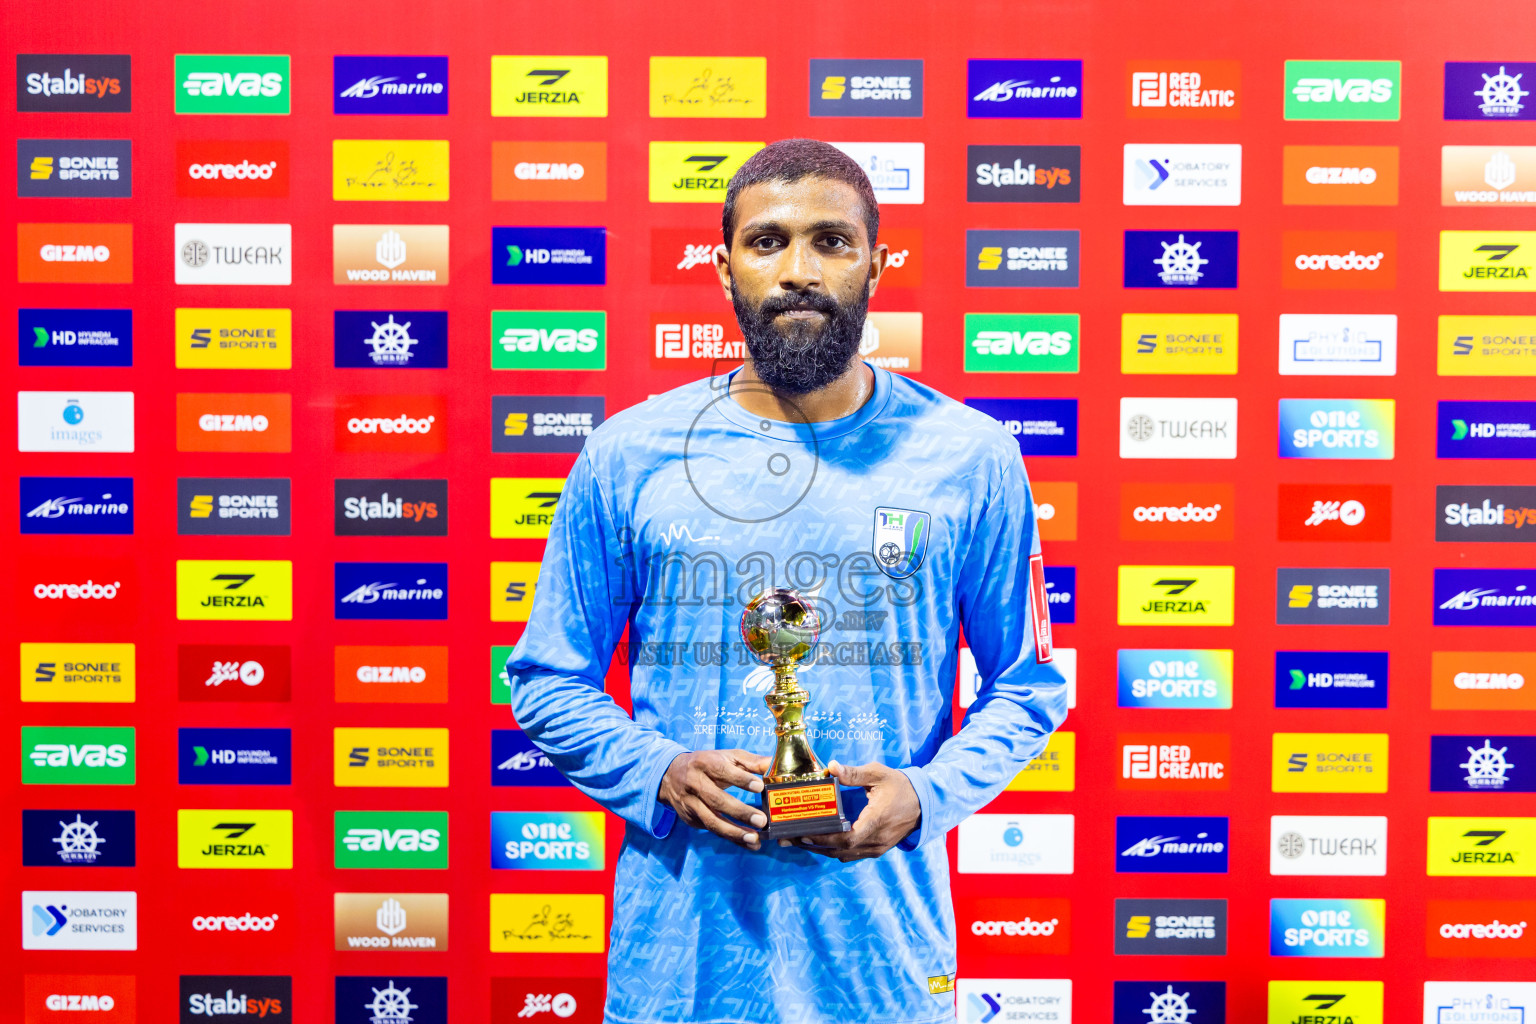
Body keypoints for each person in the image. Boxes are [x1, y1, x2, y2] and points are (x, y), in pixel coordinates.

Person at [505, 138, 1068, 1024]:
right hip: (678, 961)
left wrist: (930, 794)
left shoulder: (972, 457)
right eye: (768, 241)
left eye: (831, 242)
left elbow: (1029, 684)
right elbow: (546, 679)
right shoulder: (627, 453)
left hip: (882, 956)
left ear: (877, 264)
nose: (799, 269)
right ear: (724, 265)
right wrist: (656, 770)